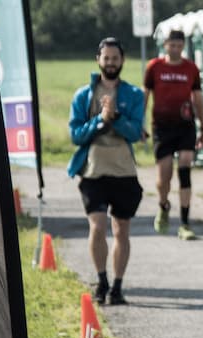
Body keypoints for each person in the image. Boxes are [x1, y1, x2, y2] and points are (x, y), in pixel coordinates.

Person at [68, 37, 145, 305]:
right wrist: (100, 121)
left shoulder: (134, 95)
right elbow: (76, 135)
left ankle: (118, 286)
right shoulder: (83, 96)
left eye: (115, 58)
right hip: (93, 172)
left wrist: (116, 118)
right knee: (98, 227)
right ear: (98, 60)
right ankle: (101, 281)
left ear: (122, 61)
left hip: (123, 172)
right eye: (106, 58)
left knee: (121, 229)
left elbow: (136, 133)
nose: (110, 63)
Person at [143, 29, 203, 241]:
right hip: (161, 127)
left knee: (185, 168)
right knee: (164, 177)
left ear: (183, 47)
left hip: (185, 125)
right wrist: (139, 123)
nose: (175, 50)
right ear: (165, 45)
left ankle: (185, 222)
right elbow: (145, 95)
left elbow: (198, 98)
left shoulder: (191, 69)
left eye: (179, 46)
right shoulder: (154, 67)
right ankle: (163, 205)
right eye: (172, 45)